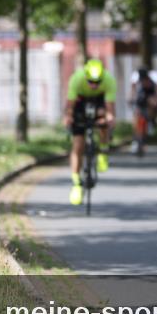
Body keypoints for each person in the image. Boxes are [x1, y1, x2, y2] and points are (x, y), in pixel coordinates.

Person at [64, 58, 116, 205]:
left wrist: (109, 117)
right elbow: (70, 105)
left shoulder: (109, 80)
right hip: (80, 102)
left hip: (100, 101)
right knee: (77, 146)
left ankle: (103, 152)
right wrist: (68, 117)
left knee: (104, 121)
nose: (94, 85)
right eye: (91, 82)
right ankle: (76, 184)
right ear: (86, 76)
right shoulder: (77, 79)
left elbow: (110, 106)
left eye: (97, 82)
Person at [129, 66, 157, 153]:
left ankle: (151, 121)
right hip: (140, 97)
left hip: (149, 96)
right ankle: (136, 140)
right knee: (136, 117)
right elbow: (133, 90)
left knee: (152, 103)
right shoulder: (136, 79)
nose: (143, 81)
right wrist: (131, 98)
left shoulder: (153, 79)